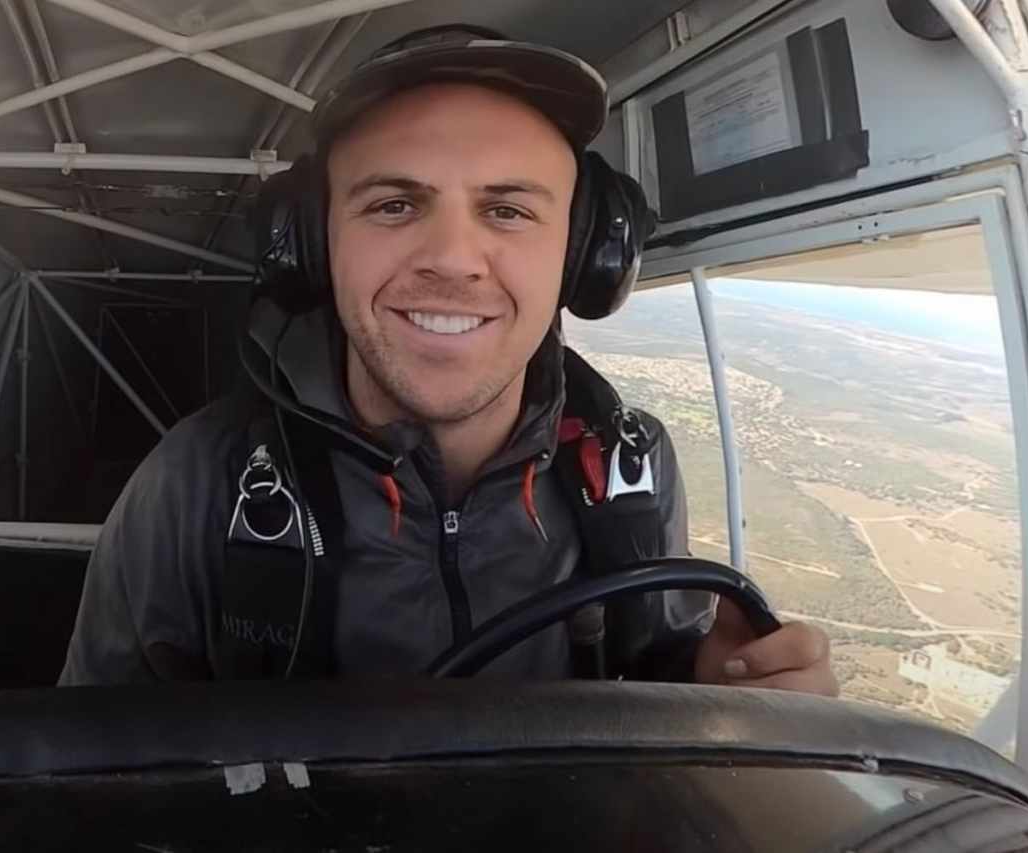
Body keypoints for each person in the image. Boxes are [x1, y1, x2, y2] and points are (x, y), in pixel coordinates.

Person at [59, 25, 837, 697]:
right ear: (311, 245)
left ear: (583, 254)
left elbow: (657, 681)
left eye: (508, 210)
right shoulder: (194, 485)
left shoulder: (629, 474)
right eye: (394, 204)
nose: (454, 260)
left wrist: (724, 691)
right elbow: (91, 787)